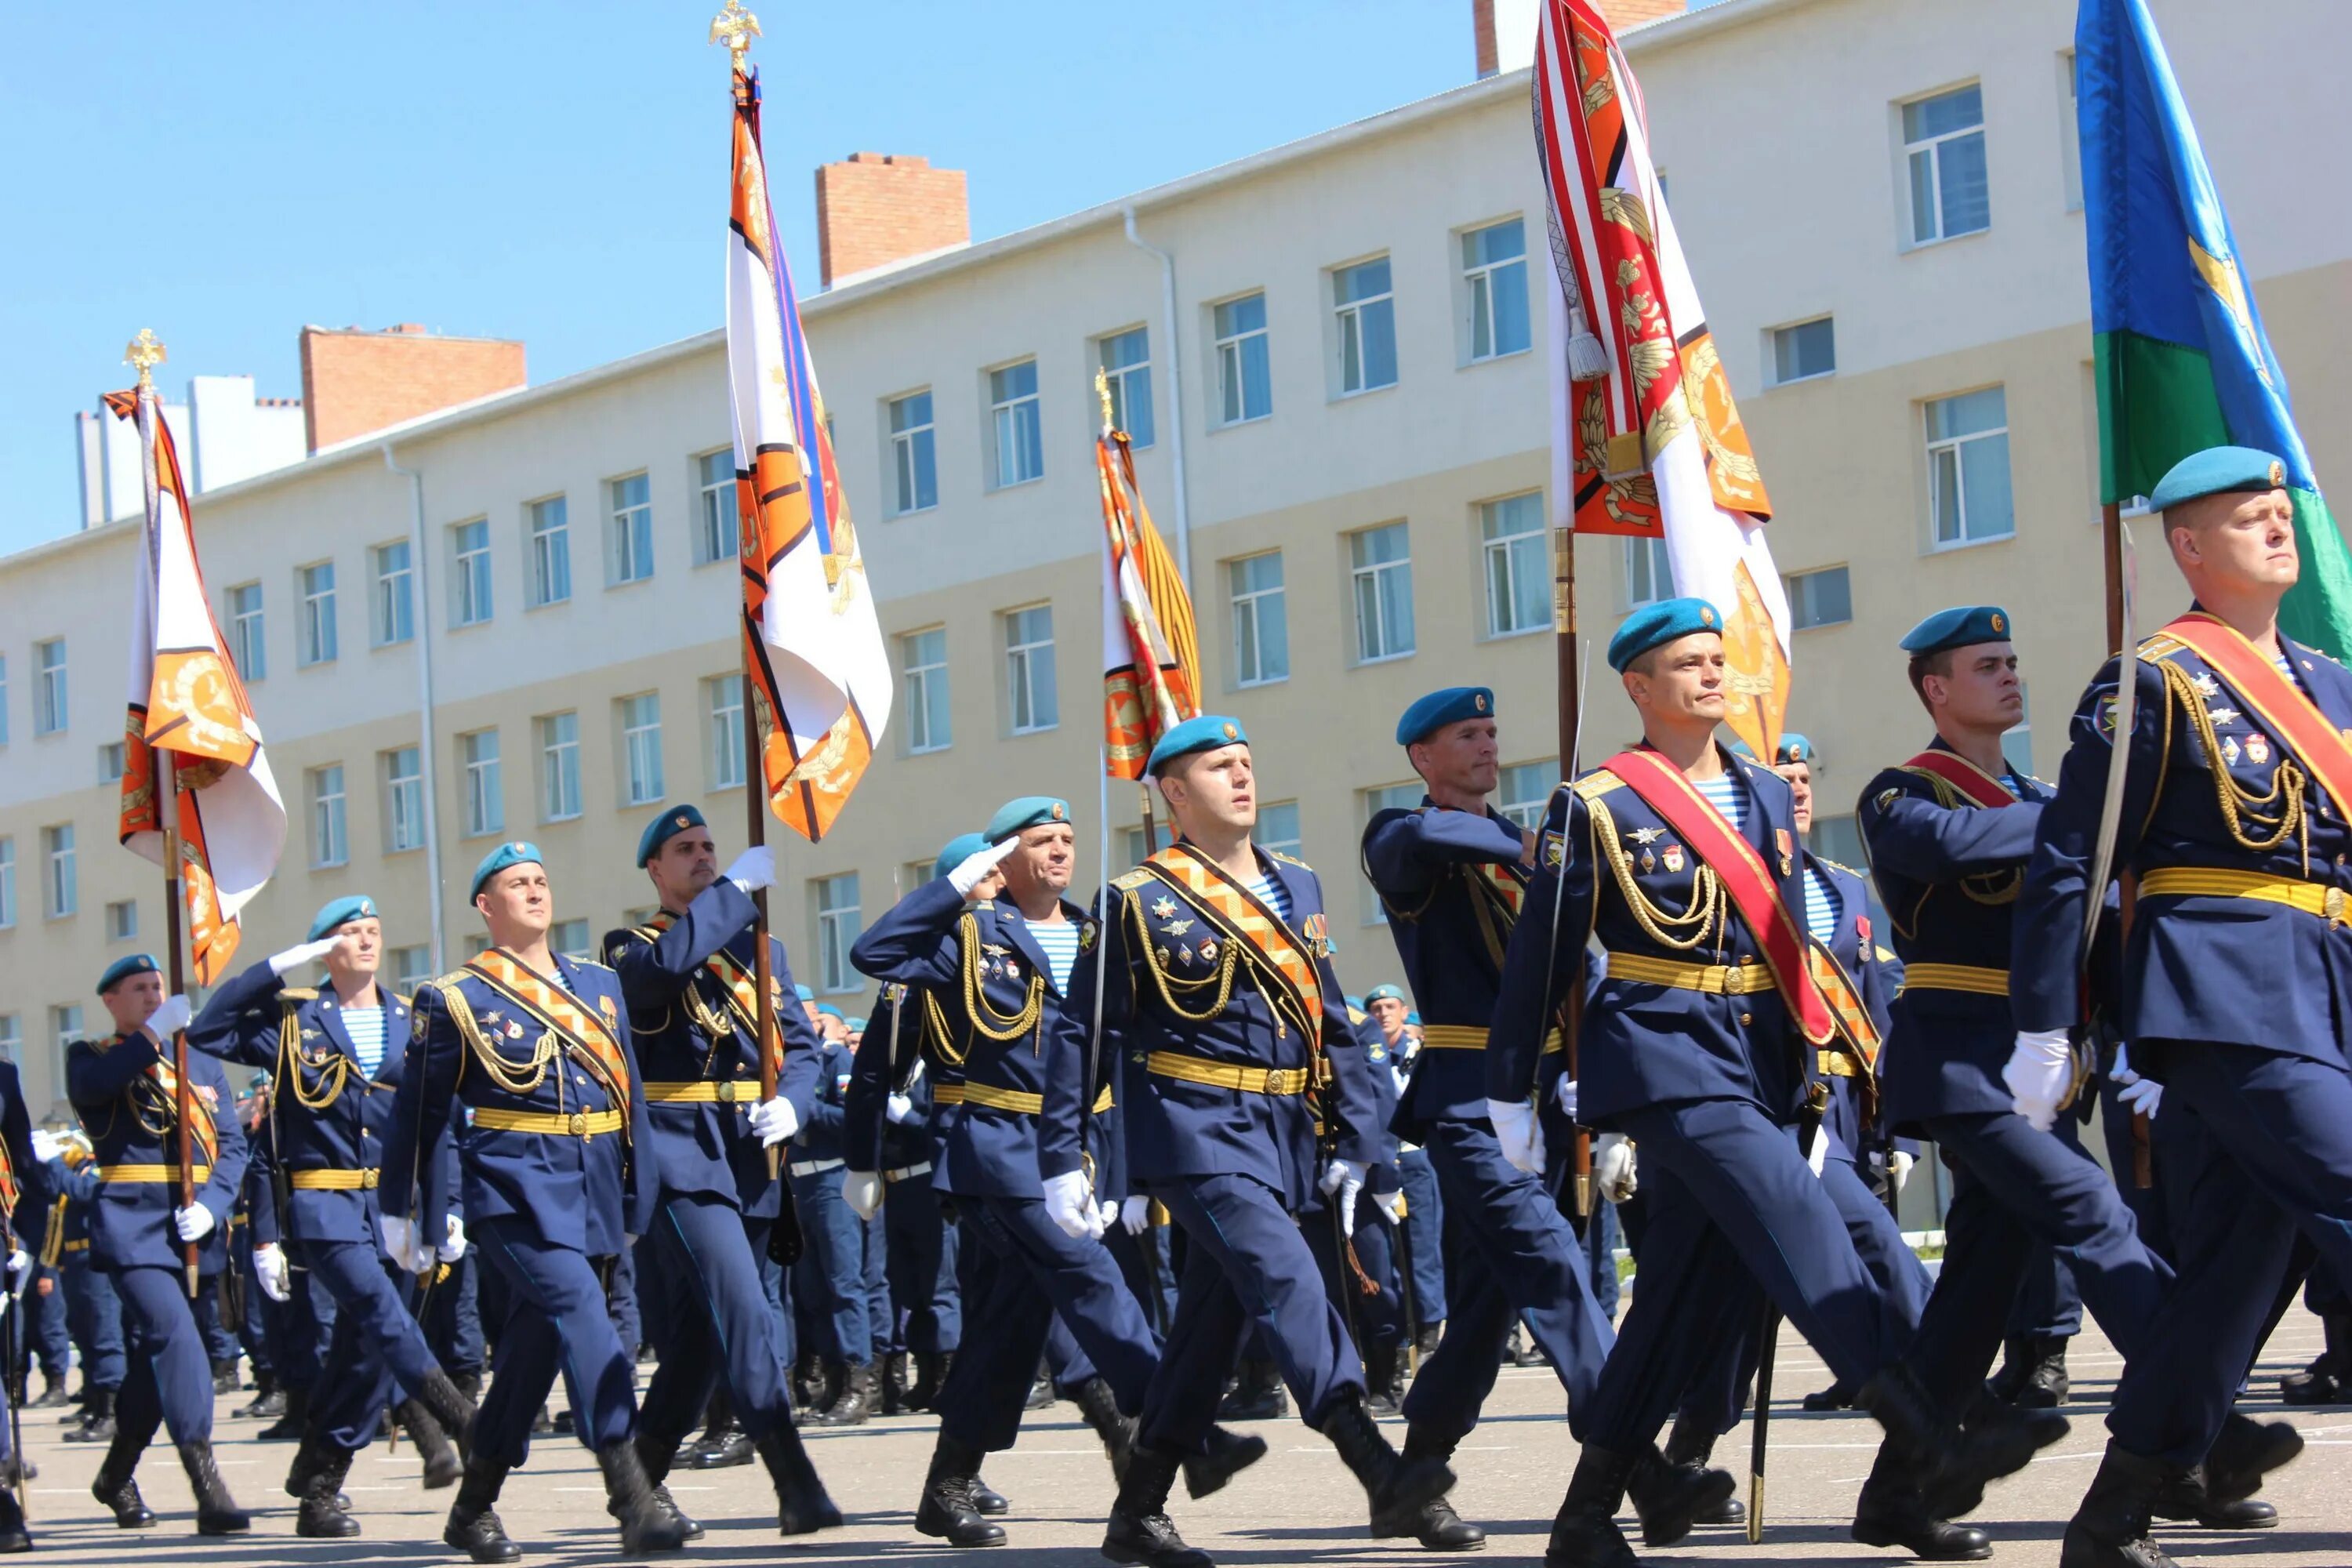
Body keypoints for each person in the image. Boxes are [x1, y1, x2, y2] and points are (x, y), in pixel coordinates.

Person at [1490, 601, 2038, 1567]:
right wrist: (1511, 1092)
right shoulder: (1598, 803)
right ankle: (1924, 1430)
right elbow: (1543, 958)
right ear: (1638, 685)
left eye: (1717, 658)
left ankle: (1584, 1517)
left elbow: (1785, 944)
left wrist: (1811, 1070)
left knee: (1677, 1297)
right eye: (1687, 663)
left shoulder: (1761, 790)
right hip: (1661, 1052)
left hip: (1755, 1058)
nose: (1712, 674)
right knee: (1801, 1216)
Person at [2011, 448, 2347, 1564]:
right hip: (2225, 996)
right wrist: (2048, 1019)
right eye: (2248, 518)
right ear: (2189, 548)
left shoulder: (2329, 683)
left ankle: (2113, 1514)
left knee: (2237, 1273)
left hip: (2331, 987)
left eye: (2280, 511)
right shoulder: (2151, 679)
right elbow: (2076, 858)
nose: (2278, 529)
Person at [1045, 719, 1454, 1566]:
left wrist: (1357, 1136)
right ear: (1174, 791)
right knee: (1288, 1280)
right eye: (1217, 765)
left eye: (1245, 762)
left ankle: (1139, 1508)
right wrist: (1061, 1155)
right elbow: (1081, 1036)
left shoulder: (1296, 884)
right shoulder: (1138, 898)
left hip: (1286, 1134)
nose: (1240, 775)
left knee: (1210, 1323)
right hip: (1194, 1132)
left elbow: (1331, 1020)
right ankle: (1378, 1465)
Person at [1854, 606, 2176, 1552]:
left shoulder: (2040, 793)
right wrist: (2089, 813)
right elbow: (1951, 852)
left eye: (2013, 660)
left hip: (2042, 1061)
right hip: (1959, 1059)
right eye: (1985, 664)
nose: (2009, 675)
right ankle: (2193, 1419)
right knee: (2089, 1212)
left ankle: (1895, 1494)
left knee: (1977, 1293)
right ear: (1936, 689)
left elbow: (2090, 930)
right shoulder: (1899, 792)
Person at [851, 807, 1175, 1550]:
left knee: (1010, 1322)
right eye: (1039, 844)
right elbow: (878, 1050)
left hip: (1077, 1147)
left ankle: (948, 1484)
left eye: (1067, 841)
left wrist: (1131, 1165)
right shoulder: (956, 944)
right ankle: (1150, 1451)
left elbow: (1116, 1052)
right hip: (991, 1153)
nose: (1059, 853)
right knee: (1081, 1289)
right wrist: (864, 1159)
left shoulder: (1092, 932)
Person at [1361, 686, 1626, 1550]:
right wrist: (1538, 842)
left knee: (1482, 1310)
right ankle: (1636, 1453)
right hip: (1468, 1098)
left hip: (1545, 1095)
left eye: (1491, 730)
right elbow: (1439, 836)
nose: (1486, 744)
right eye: (1465, 735)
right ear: (1422, 758)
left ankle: (1414, 1475)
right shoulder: (1402, 835)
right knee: (1551, 1261)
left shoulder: (1530, 857)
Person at [383, 842, 686, 1562]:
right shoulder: (457, 997)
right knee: (586, 1316)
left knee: (528, 1356)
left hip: (593, 1188)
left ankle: (473, 1508)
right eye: (517, 883)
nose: (535, 891)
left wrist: (640, 1190)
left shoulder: (598, 985)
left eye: (542, 881)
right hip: (513, 1194)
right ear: (487, 907)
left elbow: (629, 1096)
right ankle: (632, 1494)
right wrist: (403, 1207)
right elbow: (418, 1113)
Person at [188, 894, 479, 1534]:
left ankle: (318, 1484)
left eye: (375, 930)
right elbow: (207, 1031)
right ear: (324, 947)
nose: (368, 941)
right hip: (327, 1206)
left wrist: (449, 1205)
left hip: (398, 1207)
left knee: (362, 1355)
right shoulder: (293, 1021)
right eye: (352, 932)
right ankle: (465, 1422)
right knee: (385, 1317)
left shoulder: (413, 1016)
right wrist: (273, 968)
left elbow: (442, 1122)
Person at [601, 804, 840, 1537]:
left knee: (705, 1340)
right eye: (686, 849)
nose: (703, 856)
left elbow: (799, 1046)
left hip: (752, 1153)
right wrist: (733, 892)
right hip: (679, 1153)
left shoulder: (760, 949)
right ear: (656, 869)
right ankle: (795, 1481)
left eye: (710, 846)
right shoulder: (629, 947)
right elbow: (664, 975)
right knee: (744, 1312)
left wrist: (797, 1105)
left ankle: (637, 1485)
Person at [68, 952, 252, 1535]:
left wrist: (215, 1205)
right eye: (139, 989)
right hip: (133, 1229)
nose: (153, 996)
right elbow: (98, 1088)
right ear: (111, 1001)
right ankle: (206, 1479)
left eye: (157, 988)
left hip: (193, 1229)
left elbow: (232, 1144)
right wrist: (151, 1036)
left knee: (160, 1359)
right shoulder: (92, 1056)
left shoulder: (198, 1060)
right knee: (177, 1339)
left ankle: (116, 1473)